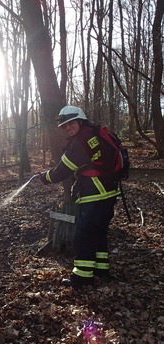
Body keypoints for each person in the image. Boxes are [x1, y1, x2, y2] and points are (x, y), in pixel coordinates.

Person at [39, 105, 121, 290]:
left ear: (80, 120)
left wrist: (45, 177)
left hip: (95, 195)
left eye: (71, 123)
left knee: (83, 235)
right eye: (65, 126)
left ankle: (82, 278)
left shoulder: (81, 141)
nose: (68, 128)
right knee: (99, 232)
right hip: (108, 194)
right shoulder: (94, 134)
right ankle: (101, 270)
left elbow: (62, 171)